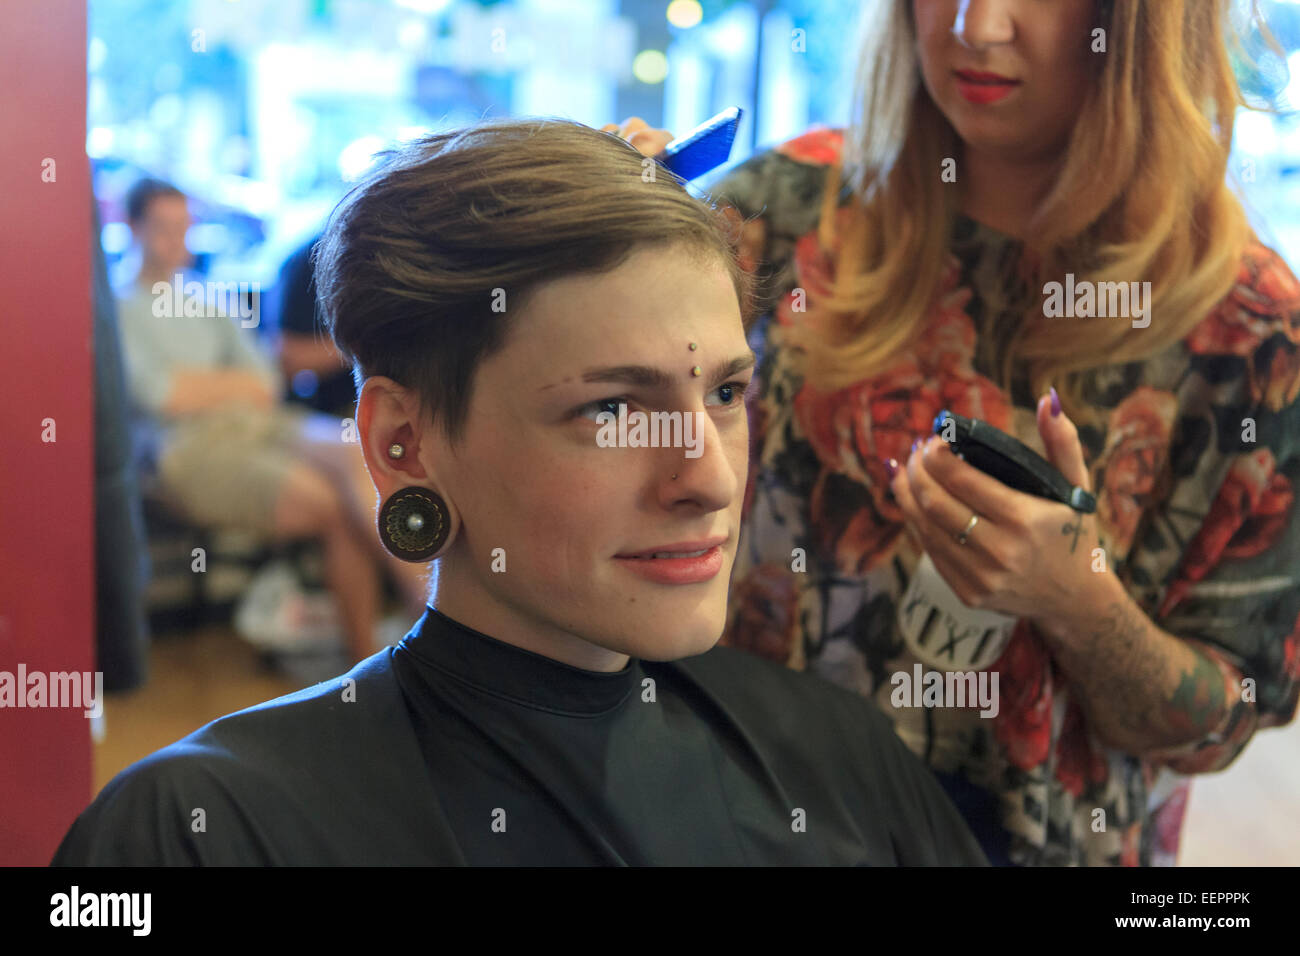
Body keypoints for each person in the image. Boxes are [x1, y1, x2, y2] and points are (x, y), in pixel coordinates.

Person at [51, 119, 988, 866]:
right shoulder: (206, 830)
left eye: (727, 394)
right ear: (403, 444)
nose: (708, 478)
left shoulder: (838, 758)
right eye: (613, 408)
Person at [607, 0, 1299, 866]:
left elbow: (1224, 719)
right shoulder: (779, 211)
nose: (976, 25)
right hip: (731, 825)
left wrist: (1080, 603)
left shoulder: (1251, 334)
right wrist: (592, 260)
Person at [115, 178, 429, 659]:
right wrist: (222, 386)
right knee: (338, 505)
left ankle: (426, 616)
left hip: (259, 426)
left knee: (358, 452)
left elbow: (264, 380)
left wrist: (199, 386)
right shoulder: (116, 307)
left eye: (184, 227)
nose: (177, 240)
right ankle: (383, 654)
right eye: (163, 228)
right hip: (184, 450)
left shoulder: (205, 297)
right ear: (132, 227)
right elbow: (160, 396)